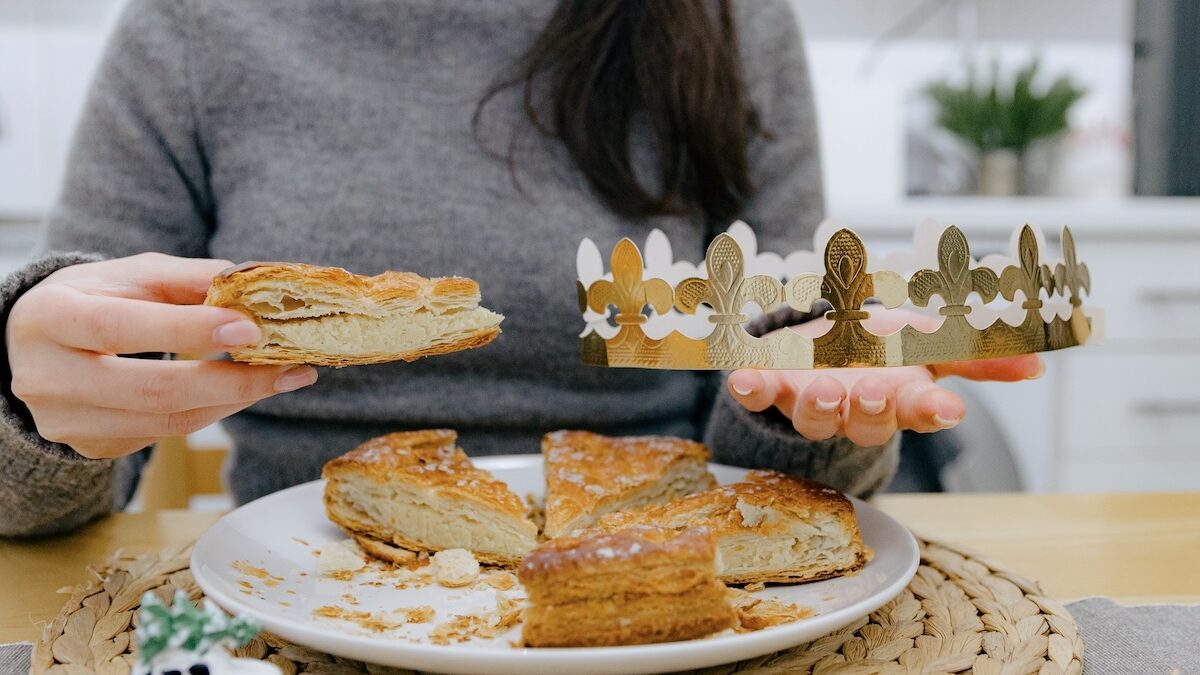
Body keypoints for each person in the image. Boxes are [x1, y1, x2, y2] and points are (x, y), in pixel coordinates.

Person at [0, 0, 1039, 537]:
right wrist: (30, 409)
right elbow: (50, 495)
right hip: (305, 578)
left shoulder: (723, 21)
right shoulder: (194, 30)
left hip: (665, 584)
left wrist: (802, 412)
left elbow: (778, 378)